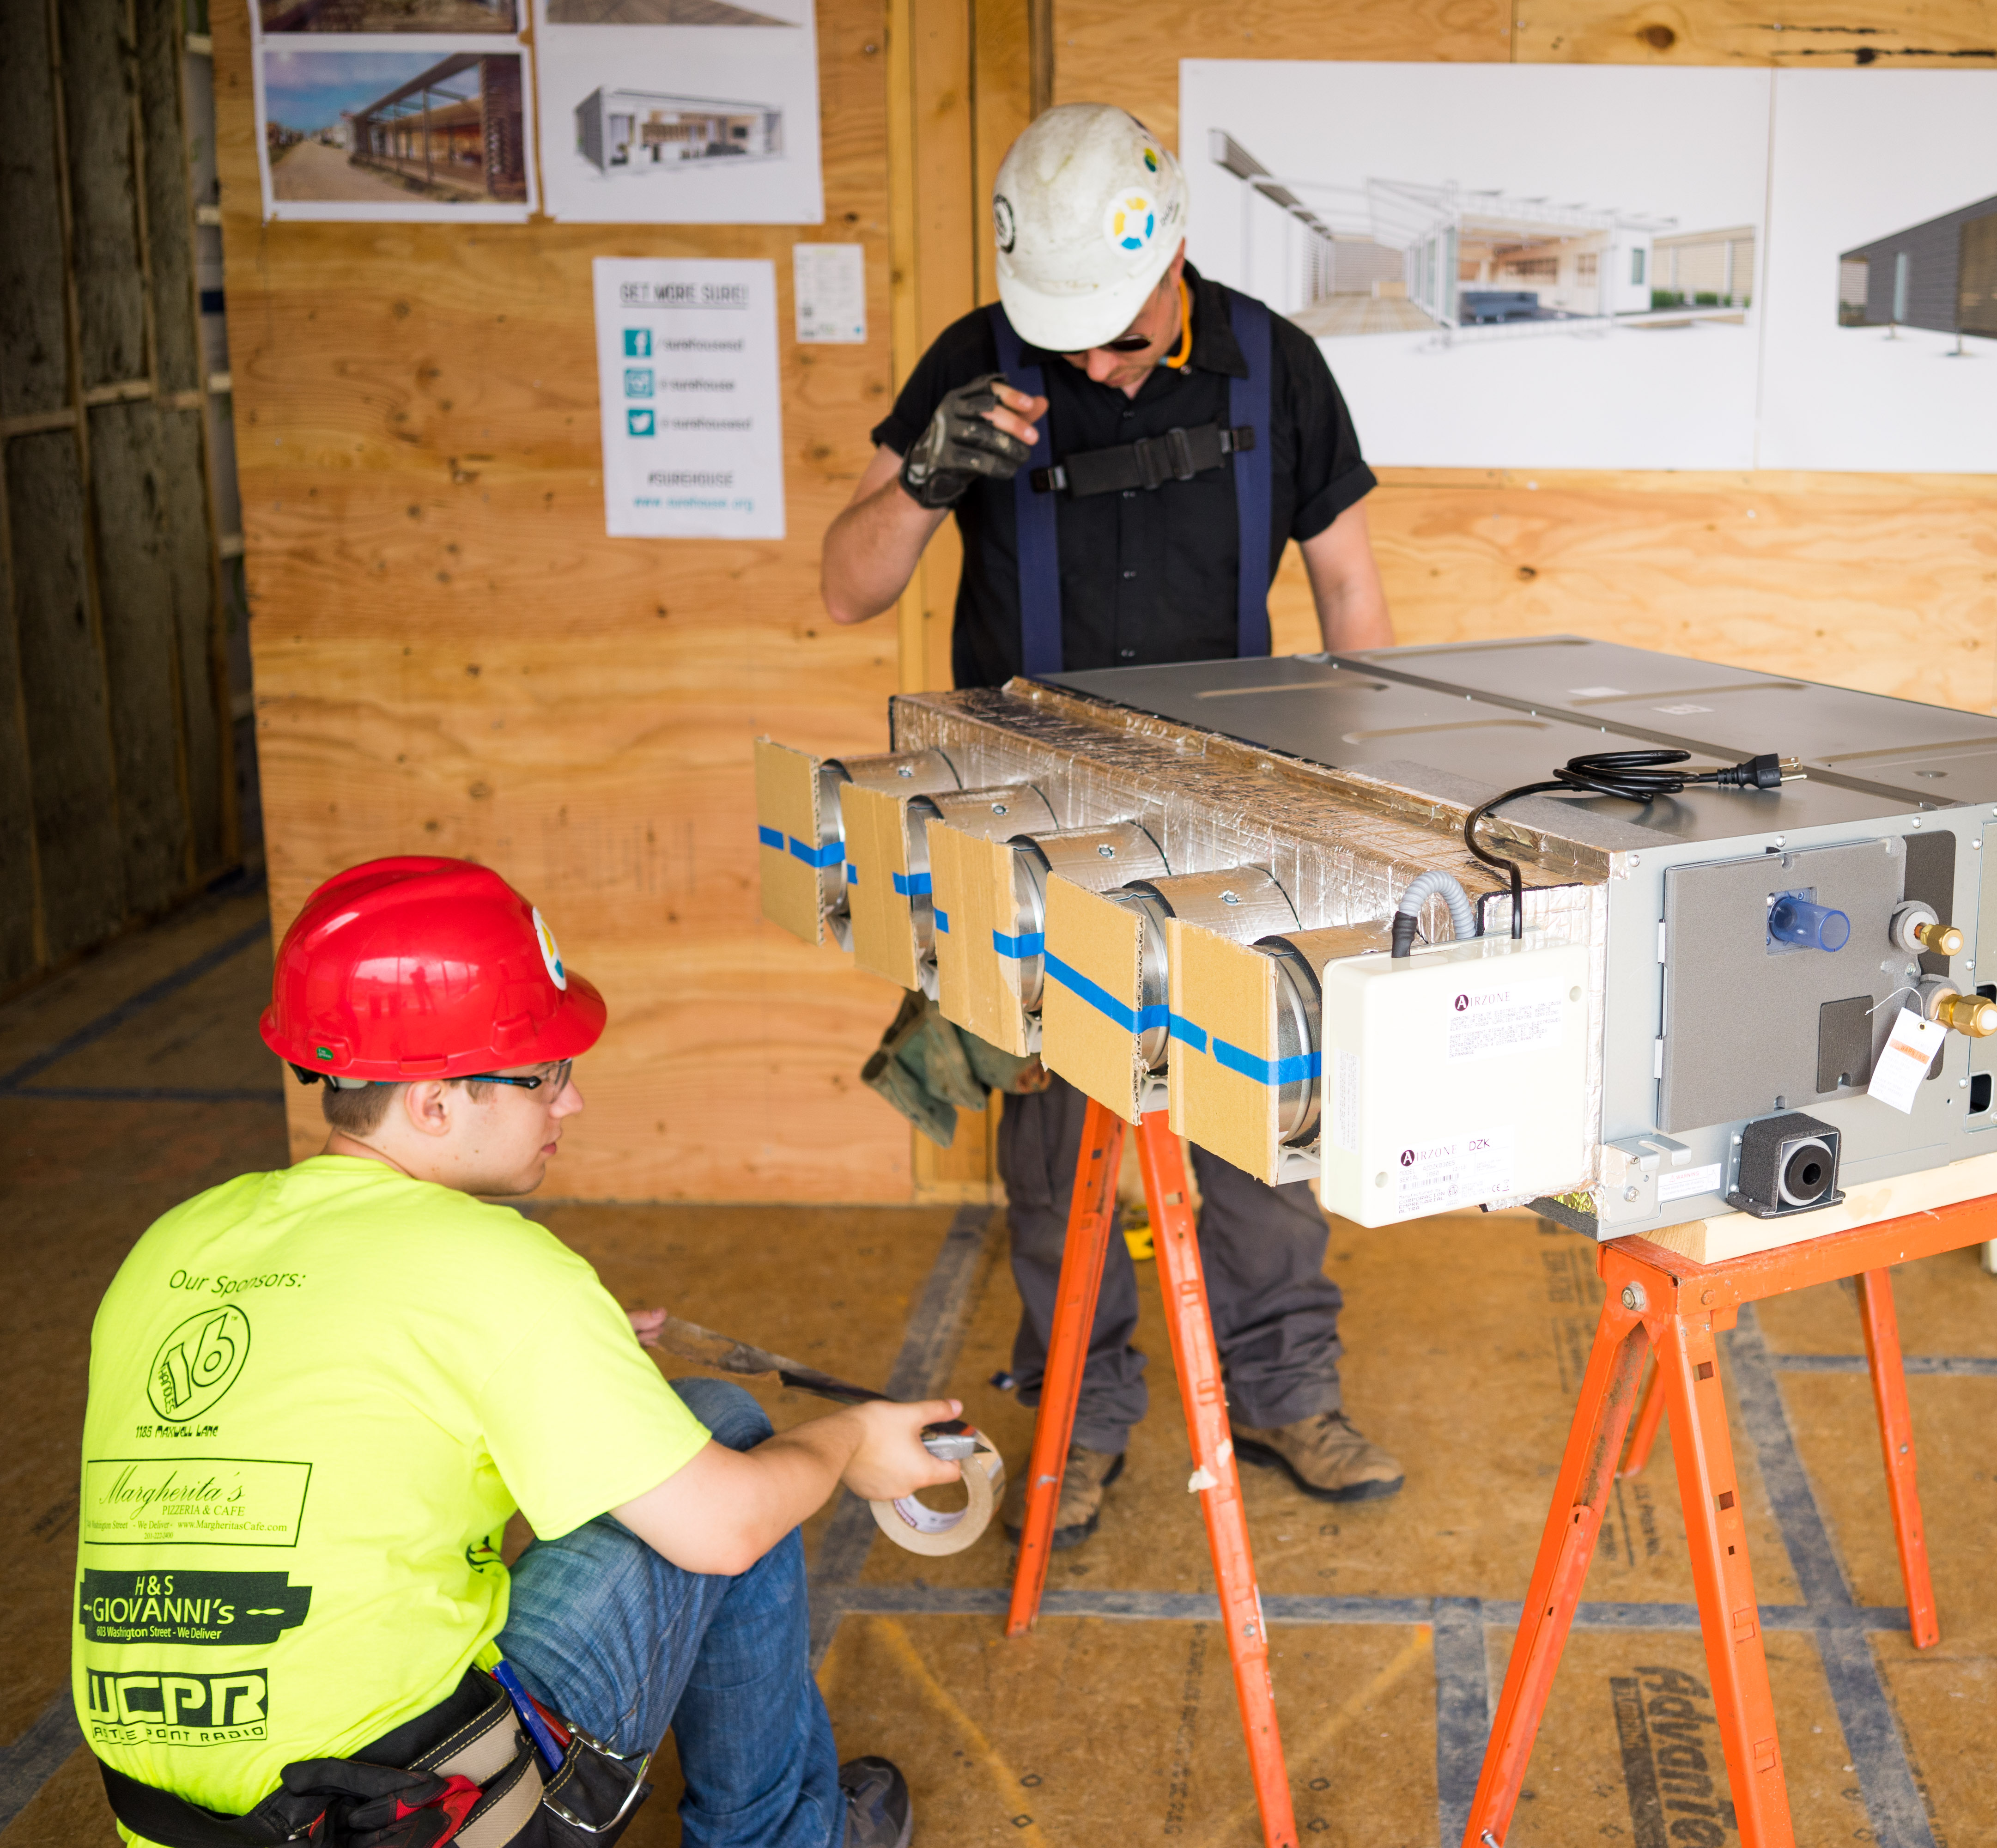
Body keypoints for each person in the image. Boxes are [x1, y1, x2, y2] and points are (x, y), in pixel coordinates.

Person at [73, 857, 959, 1848]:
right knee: (726, 1434)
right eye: (542, 1074)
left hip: (175, 1826)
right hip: (416, 1819)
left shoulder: (174, 1242)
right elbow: (726, 1530)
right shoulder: (494, 1263)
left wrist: (569, 1362)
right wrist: (850, 1442)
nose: (569, 1103)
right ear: (435, 1104)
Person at [818, 103, 1404, 1544]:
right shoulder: (975, 361)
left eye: (1124, 336)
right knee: (1057, 1155)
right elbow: (847, 587)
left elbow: (1352, 598)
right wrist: (921, 475)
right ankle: (1083, 1415)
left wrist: (1369, 805)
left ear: (1177, 256)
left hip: (1236, 821)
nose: (1092, 362)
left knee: (1265, 1132)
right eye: (1067, 335)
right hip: (1031, 827)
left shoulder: (1278, 364)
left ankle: (1283, 1392)